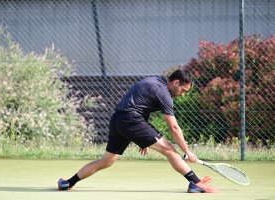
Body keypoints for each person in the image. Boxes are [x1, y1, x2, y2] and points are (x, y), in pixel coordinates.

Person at [58, 68, 219, 193]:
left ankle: (68, 183)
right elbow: (174, 127)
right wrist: (187, 151)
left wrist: (140, 138)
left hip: (118, 120)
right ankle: (196, 183)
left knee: (106, 161)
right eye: (183, 90)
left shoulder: (154, 81)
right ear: (176, 82)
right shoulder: (164, 94)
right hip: (131, 121)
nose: (183, 95)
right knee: (170, 150)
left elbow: (139, 104)